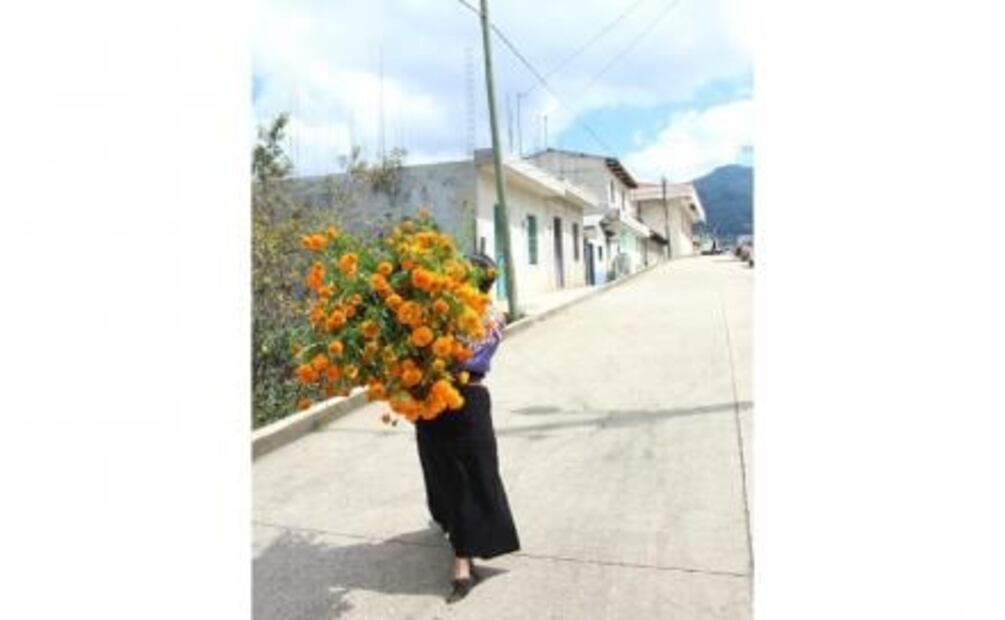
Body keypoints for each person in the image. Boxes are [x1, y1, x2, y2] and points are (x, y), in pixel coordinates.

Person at [414, 253, 520, 604]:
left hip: (463, 401)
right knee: (442, 471)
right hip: (436, 401)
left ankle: (462, 562)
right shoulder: (449, 311)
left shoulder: (482, 316)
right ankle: (453, 529)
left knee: (467, 478)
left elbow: (463, 358)